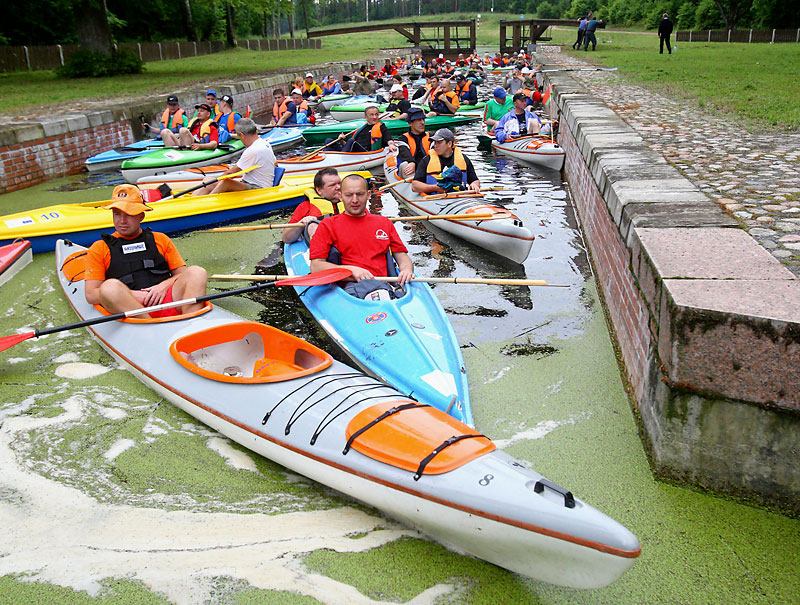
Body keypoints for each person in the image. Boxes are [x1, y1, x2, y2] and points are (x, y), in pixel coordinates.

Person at [84, 185, 208, 319]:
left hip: (166, 300)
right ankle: (149, 326)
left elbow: (182, 274)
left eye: (129, 215)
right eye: (117, 214)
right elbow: (91, 294)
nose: (122, 221)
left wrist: (163, 286)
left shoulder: (160, 239)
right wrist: (133, 294)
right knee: (109, 287)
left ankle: (192, 320)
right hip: (131, 307)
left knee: (197, 272)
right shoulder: (99, 248)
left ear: (141, 216)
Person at [310, 174, 414, 298]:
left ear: (368, 195)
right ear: (340, 196)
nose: (354, 200)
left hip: (385, 286)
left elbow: (402, 256)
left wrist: (407, 270)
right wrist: (351, 270)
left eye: (359, 194)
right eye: (349, 195)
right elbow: (316, 267)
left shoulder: (384, 223)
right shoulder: (327, 225)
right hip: (351, 291)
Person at [192, 118, 275, 195]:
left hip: (259, 189)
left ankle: (208, 203)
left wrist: (218, 183)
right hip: (251, 183)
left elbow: (231, 173)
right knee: (207, 180)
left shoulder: (253, 150)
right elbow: (275, 164)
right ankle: (193, 200)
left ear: (241, 135)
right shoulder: (265, 144)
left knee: (225, 182)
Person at [281, 167, 344, 244]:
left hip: (349, 244)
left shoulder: (352, 202)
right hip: (324, 248)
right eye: (332, 185)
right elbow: (286, 238)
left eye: (339, 183)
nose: (339, 187)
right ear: (319, 190)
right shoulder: (305, 207)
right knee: (312, 226)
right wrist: (301, 223)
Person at [412, 128, 480, 194]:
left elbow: (474, 180)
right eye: (435, 142)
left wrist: (474, 185)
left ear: (449, 144)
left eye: (439, 142)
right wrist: (435, 188)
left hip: (459, 196)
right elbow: (415, 186)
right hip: (435, 198)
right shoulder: (426, 160)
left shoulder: (464, 159)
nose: (435, 146)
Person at [388, 107, 429, 177]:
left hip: (427, 170)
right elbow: (404, 152)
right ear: (410, 123)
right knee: (406, 165)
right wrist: (412, 162)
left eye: (423, 119)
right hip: (412, 170)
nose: (422, 122)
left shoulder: (431, 137)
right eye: (419, 120)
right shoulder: (403, 138)